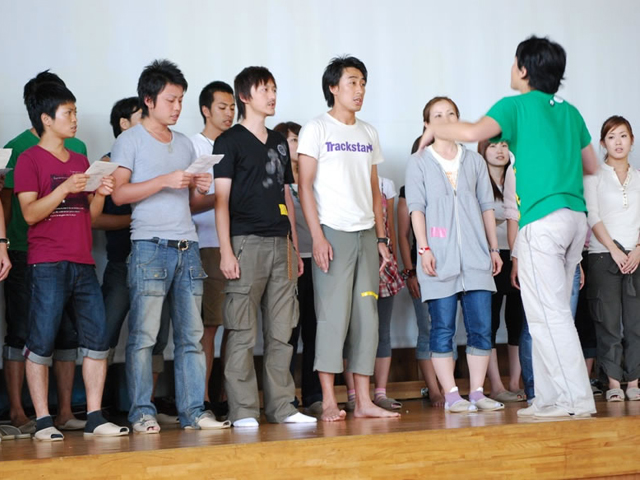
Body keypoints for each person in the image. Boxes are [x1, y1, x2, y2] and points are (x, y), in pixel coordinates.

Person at [418, 36, 599, 418]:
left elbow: (472, 134)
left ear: (524, 69)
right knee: (545, 313)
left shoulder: (515, 105)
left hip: (543, 221)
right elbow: (591, 165)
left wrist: (435, 127)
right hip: (574, 218)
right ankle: (548, 399)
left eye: (514, 62)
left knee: (548, 315)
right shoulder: (571, 113)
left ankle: (574, 401)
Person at [111, 59, 228, 433]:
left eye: (180, 100)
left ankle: (194, 411)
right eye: (170, 100)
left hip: (187, 246)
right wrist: (164, 180)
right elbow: (119, 195)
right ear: (149, 100)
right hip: (149, 245)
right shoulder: (129, 140)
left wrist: (202, 189)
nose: (177, 107)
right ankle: (141, 412)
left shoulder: (184, 144)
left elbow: (190, 203)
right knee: (144, 337)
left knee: (191, 336)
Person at [14, 81, 128, 441]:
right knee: (41, 341)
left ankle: (94, 416)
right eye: (69, 113)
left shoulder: (80, 161)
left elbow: (89, 217)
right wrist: (64, 188)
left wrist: (101, 192)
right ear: (47, 119)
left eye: (75, 112)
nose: (75, 119)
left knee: (97, 340)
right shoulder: (29, 159)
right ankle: (43, 421)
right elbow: (30, 214)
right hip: (47, 262)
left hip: (83, 261)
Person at [297, 55, 400, 422]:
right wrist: (317, 237)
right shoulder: (316, 129)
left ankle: (364, 401)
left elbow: (374, 190)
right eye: (352, 82)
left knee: (367, 318)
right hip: (333, 234)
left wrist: (381, 239)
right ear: (333, 87)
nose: (359, 90)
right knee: (332, 318)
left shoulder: (368, 132)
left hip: (366, 235)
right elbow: (304, 187)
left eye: (363, 83)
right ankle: (328, 400)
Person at [213, 67, 315, 427]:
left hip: (281, 243)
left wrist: (294, 245)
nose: (272, 96)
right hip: (245, 242)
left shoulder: (278, 141)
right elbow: (220, 201)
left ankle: (282, 406)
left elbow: (286, 194)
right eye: (264, 90)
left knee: (282, 331)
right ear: (245, 96)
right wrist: (225, 250)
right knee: (242, 329)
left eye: (274, 89)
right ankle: (242, 409)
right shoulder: (228, 142)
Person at [1, 71, 88, 435]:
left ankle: (65, 410)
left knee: (68, 332)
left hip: (71, 254)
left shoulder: (78, 148)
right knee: (22, 330)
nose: (72, 116)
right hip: (26, 251)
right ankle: (18, 411)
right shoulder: (18, 147)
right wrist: (5, 245)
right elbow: (6, 202)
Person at [406, 96, 504, 413]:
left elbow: (487, 207)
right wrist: (424, 249)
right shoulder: (419, 161)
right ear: (427, 124)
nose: (445, 119)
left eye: (451, 114)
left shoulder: (474, 161)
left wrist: (493, 248)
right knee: (442, 329)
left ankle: (477, 392)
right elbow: (416, 209)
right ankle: (451, 395)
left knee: (481, 327)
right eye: (438, 115)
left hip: (476, 258)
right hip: (438, 259)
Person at [93, 97, 175, 424]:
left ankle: (147, 405)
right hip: (121, 263)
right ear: (124, 124)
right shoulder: (106, 165)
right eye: (142, 116)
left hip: (158, 260)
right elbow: (93, 219)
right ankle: (98, 407)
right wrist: (135, 221)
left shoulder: (156, 158)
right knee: (105, 334)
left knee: (157, 337)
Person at [584, 115, 640, 402]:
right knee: (608, 323)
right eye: (611, 136)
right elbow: (592, 215)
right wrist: (614, 250)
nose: (618, 142)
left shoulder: (639, 177)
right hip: (604, 256)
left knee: (634, 322)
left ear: (632, 140)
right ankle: (614, 383)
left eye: (623, 136)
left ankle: (634, 381)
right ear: (603, 142)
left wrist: (638, 248)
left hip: (636, 257)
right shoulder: (593, 176)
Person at [189, 81, 235, 415]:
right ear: (206, 110)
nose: (229, 113)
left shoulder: (236, 143)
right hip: (207, 243)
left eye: (232, 107)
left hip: (237, 241)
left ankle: (228, 396)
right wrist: (226, 195)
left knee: (237, 324)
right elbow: (190, 202)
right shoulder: (194, 146)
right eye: (222, 107)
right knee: (209, 325)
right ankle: (203, 398)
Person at [274, 121, 324, 417]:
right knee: (288, 332)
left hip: (317, 260)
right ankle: (286, 397)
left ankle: (314, 395)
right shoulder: (277, 182)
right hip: (290, 262)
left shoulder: (315, 179)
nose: (299, 145)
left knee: (315, 331)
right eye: (294, 140)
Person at [344, 176, 405, 411]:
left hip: (382, 262)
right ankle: (353, 395)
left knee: (382, 330)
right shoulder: (342, 176)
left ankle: (380, 392)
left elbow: (390, 227)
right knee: (352, 330)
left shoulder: (385, 184)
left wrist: (393, 259)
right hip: (354, 259)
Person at [477, 140, 524, 403]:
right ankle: (495, 385)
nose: (500, 151)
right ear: (482, 150)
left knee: (517, 320)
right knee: (490, 321)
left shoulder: (518, 175)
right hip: (488, 257)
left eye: (505, 145)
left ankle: (515, 382)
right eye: (493, 146)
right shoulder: (476, 179)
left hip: (517, 255)